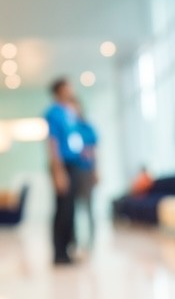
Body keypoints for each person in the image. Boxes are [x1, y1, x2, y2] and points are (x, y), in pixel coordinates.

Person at [43, 77, 83, 265]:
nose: (71, 91)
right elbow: (52, 143)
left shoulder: (69, 112)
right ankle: (59, 254)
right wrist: (58, 171)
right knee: (63, 210)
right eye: (68, 88)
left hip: (72, 164)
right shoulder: (53, 113)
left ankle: (67, 251)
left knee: (70, 210)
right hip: (62, 166)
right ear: (59, 91)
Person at [72, 98, 99, 246]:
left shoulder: (88, 127)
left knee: (89, 207)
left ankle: (91, 241)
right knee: (74, 208)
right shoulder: (69, 127)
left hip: (87, 171)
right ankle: (75, 240)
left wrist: (96, 170)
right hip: (73, 172)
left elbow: (94, 151)